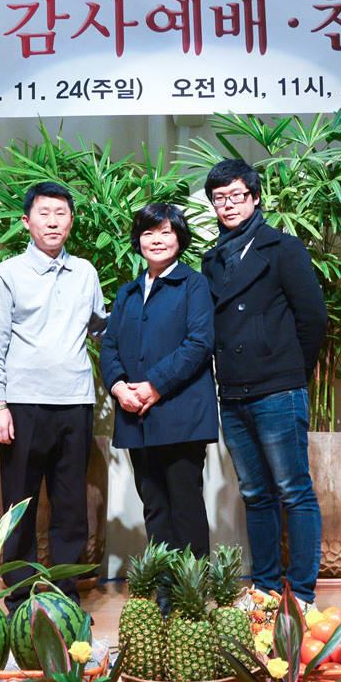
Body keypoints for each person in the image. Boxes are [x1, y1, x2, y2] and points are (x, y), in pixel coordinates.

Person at [199, 158, 328, 607]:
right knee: (255, 494)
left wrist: (290, 371)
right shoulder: (211, 259)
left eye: (236, 195)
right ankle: (266, 589)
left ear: (255, 198)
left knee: (294, 490)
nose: (228, 205)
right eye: (219, 198)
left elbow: (313, 318)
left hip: (278, 387)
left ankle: (302, 593)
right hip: (233, 391)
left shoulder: (283, 248)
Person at [0, 180, 107, 609]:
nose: (53, 221)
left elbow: (102, 330)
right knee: (20, 506)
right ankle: (19, 601)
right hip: (23, 405)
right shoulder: (8, 273)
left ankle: (65, 599)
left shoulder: (85, 272)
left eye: (61, 213)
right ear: (26, 221)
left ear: (71, 221)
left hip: (76, 402)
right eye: (44, 213)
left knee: (71, 507)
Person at [100, 204, 217, 557]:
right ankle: (163, 582)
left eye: (166, 232)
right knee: (153, 504)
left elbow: (200, 343)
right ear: (138, 240)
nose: (157, 240)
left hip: (182, 415)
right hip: (135, 414)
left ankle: (193, 584)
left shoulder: (195, 284)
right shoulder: (127, 293)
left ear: (180, 239)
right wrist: (119, 387)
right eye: (148, 233)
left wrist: (154, 385)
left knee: (185, 504)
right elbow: (109, 347)